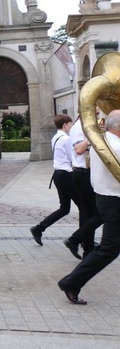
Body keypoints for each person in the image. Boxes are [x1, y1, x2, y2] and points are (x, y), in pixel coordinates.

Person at [58, 110, 120, 305]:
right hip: (114, 200)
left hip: (105, 196)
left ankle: (71, 281)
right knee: (108, 250)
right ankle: (71, 282)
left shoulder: (99, 140)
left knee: (107, 248)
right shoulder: (116, 146)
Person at [29, 115, 76, 246]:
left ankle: (39, 228)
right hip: (66, 175)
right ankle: (82, 239)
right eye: (70, 124)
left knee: (64, 208)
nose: (71, 127)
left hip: (58, 175)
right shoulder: (66, 139)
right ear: (65, 125)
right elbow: (73, 158)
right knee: (84, 207)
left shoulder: (56, 137)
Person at [63, 113, 102, 259]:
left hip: (88, 173)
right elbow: (79, 149)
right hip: (82, 173)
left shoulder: (87, 126)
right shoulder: (78, 127)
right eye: (96, 112)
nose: (98, 115)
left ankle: (88, 250)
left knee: (88, 213)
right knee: (101, 213)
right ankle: (75, 240)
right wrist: (92, 135)